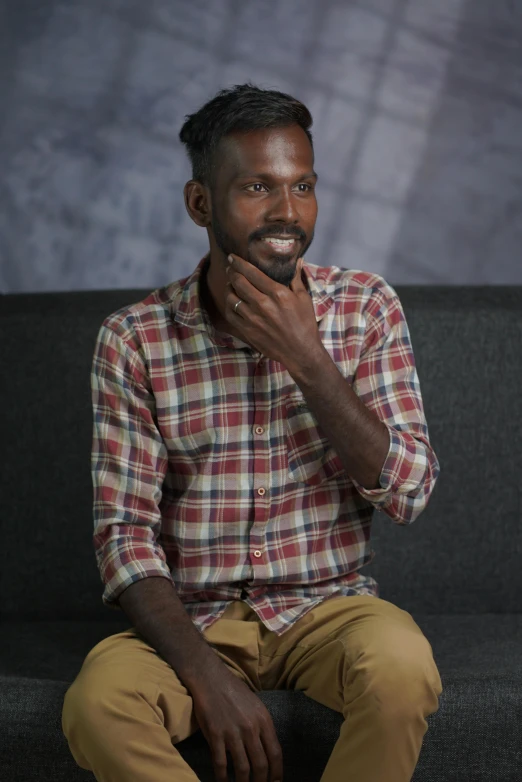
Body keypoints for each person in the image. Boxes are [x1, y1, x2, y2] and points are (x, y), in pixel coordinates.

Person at [62, 83, 442, 782]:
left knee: (403, 670)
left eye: (303, 186)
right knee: (98, 705)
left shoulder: (366, 307)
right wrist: (205, 675)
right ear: (200, 203)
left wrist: (308, 359)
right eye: (257, 188)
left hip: (330, 610)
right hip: (193, 616)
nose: (287, 213)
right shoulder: (135, 338)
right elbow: (123, 536)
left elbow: (410, 491)